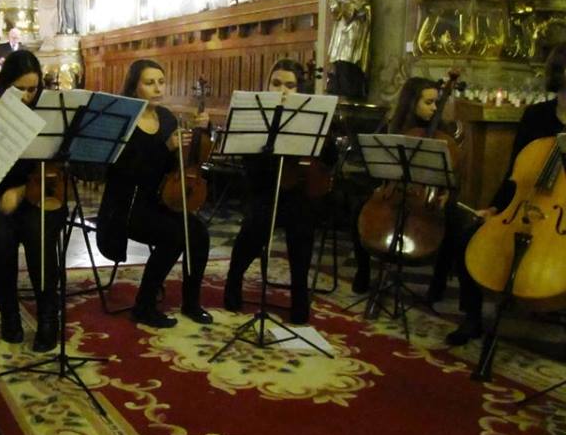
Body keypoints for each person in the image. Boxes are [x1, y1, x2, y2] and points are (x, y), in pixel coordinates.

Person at [447, 44, 566, 345]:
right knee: (467, 235)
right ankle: (472, 317)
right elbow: (516, 174)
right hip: (524, 206)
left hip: (560, 219)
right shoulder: (536, 115)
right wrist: (495, 208)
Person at [97, 59, 213, 328]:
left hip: (158, 201)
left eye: (161, 82)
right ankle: (143, 306)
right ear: (134, 87)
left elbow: (179, 164)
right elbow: (124, 172)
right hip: (126, 206)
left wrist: (201, 132)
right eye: (149, 83)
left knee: (198, 232)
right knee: (174, 235)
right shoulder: (124, 121)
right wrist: (165, 147)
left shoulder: (167, 118)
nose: (157, 88)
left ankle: (192, 302)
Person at [223, 59, 337, 326]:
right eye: (276, 83)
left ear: (300, 88)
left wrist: (324, 139)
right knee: (254, 227)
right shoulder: (257, 113)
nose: (283, 90)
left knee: (302, 229)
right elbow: (248, 165)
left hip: (300, 190)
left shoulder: (310, 114)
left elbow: (329, 159)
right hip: (265, 188)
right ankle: (234, 279)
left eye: (290, 85)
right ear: (267, 85)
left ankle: (300, 295)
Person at [0, 50, 66, 351]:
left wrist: (22, 192)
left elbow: (56, 166)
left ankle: (48, 316)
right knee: (0, 234)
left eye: (33, 89)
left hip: (40, 192)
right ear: (4, 86)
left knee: (38, 230)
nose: (27, 96)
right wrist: (6, 193)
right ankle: (9, 314)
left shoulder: (51, 114)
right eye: (20, 89)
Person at [350, 77, 460, 298]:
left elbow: (453, 177)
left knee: (454, 221)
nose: (434, 108)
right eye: (428, 102)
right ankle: (363, 271)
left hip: (428, 197)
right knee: (357, 210)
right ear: (412, 103)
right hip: (394, 191)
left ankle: (437, 284)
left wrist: (448, 193)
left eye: (436, 102)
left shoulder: (445, 135)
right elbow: (377, 165)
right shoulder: (395, 127)